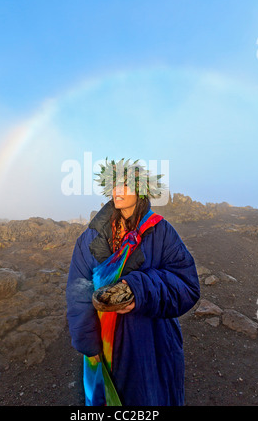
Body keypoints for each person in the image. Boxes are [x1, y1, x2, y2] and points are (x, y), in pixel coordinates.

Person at [66, 159, 200, 406]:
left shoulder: (161, 232)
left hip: (152, 344)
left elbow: (187, 284)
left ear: (141, 190)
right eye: (113, 185)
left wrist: (139, 289)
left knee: (150, 398)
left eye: (125, 185)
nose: (117, 191)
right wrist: (87, 341)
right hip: (105, 346)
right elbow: (78, 289)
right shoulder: (91, 238)